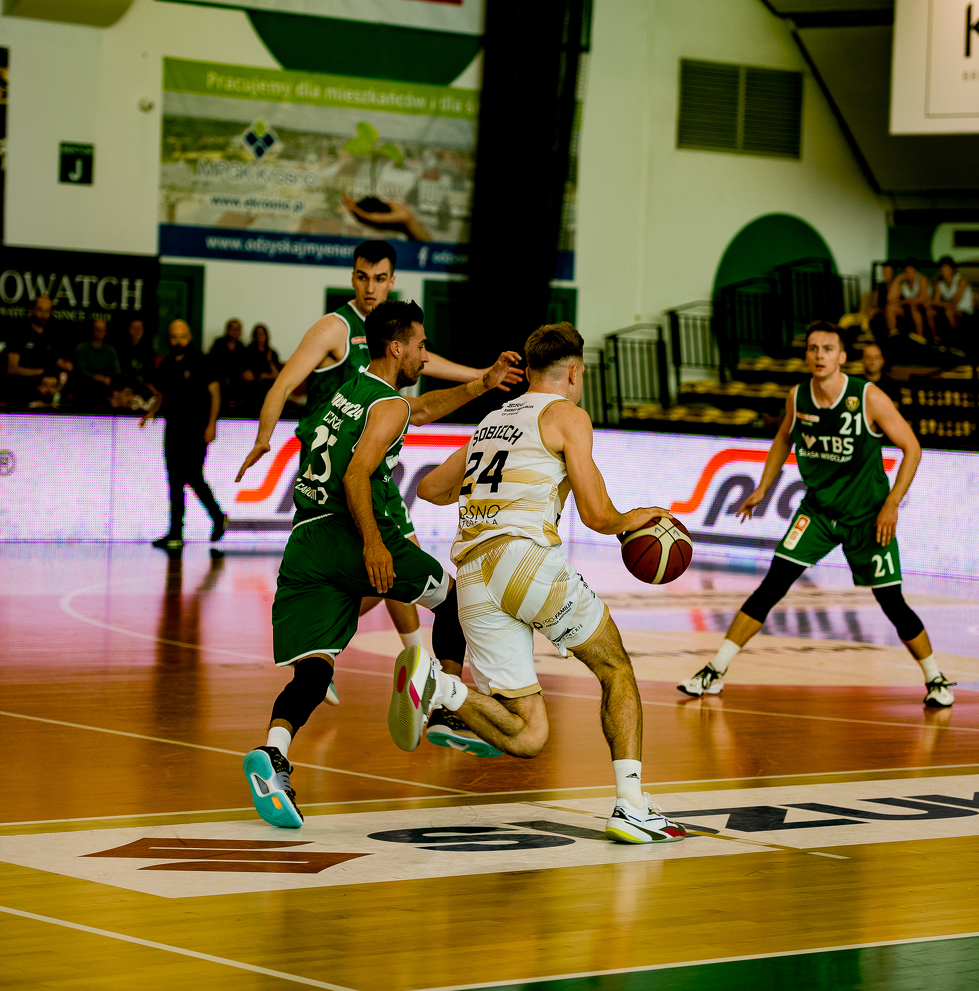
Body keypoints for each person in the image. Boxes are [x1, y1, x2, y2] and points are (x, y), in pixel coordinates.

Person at [233, 300, 520, 830]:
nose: (424, 355)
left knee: (315, 671)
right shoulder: (388, 405)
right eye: (421, 346)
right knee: (455, 601)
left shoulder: (348, 390)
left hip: (305, 540)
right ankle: (445, 707)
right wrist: (373, 543)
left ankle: (273, 754)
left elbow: (420, 410)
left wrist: (482, 383)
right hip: (348, 534)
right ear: (396, 347)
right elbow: (356, 474)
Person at [416, 322, 686, 843]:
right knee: (615, 668)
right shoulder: (567, 415)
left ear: (530, 371)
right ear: (575, 372)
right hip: (523, 561)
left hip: (472, 576)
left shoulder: (491, 421)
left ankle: (440, 686)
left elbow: (430, 488)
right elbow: (597, 515)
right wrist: (634, 518)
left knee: (528, 733)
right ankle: (631, 805)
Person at [240, 239, 523, 695]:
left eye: (379, 278)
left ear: (392, 281)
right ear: (352, 278)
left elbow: (426, 372)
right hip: (337, 471)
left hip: (370, 468)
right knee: (396, 569)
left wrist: (482, 377)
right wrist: (263, 437)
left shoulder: (398, 335)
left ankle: (343, 656)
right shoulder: (335, 327)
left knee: (390, 570)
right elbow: (283, 385)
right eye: (361, 277)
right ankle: (423, 679)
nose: (369, 287)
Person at [678, 323, 953, 707]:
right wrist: (764, 486)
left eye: (827, 348)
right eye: (813, 348)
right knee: (771, 586)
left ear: (842, 356)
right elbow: (783, 438)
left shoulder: (868, 397)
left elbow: (913, 448)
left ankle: (936, 678)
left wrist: (891, 504)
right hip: (818, 513)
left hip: (867, 516)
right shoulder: (798, 396)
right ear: (806, 355)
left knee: (891, 602)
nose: (819, 354)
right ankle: (715, 670)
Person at [142, 319, 228, 549]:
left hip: (197, 429)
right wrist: (152, 412)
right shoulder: (166, 365)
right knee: (174, 481)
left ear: (189, 337)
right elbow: (162, 395)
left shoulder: (202, 361)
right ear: (168, 339)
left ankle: (218, 515)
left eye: (181, 336)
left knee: (192, 475)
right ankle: (175, 533)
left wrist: (212, 425)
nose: (178, 341)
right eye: (173, 337)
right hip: (173, 429)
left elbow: (215, 393)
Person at [6, 296, 72, 408]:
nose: (44, 315)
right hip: (24, 386)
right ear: (32, 310)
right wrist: (40, 372)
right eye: (40, 310)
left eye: (47, 311)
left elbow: (59, 361)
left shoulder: (54, 333)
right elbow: (12, 369)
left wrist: (65, 366)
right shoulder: (19, 332)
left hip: (49, 387)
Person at [71, 318, 122, 408]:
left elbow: (117, 371)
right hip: (85, 383)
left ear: (106, 332)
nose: (100, 332)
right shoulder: (81, 348)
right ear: (92, 330)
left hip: (106, 385)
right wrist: (97, 377)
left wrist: (109, 380)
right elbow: (81, 371)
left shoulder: (110, 350)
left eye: (102, 330)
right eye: (97, 329)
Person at [209, 317, 249, 413]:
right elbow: (211, 362)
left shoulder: (241, 347)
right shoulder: (219, 343)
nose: (235, 332)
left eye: (237, 329)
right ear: (227, 330)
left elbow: (244, 366)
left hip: (236, 379)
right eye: (232, 329)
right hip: (219, 377)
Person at [928, 257, 973, 342]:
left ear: (952, 269)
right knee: (930, 312)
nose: (944, 272)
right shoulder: (940, 283)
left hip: (964, 310)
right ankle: (936, 339)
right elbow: (935, 301)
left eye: (946, 269)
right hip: (948, 308)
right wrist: (940, 303)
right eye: (942, 270)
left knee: (949, 312)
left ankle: (957, 340)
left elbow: (955, 303)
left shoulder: (961, 280)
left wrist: (941, 304)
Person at [240, 323, 282, 414]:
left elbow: (277, 375)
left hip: (268, 386)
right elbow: (247, 375)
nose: (260, 336)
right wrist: (263, 376)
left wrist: (270, 361)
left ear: (266, 336)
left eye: (262, 334)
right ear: (254, 336)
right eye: (258, 334)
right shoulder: (247, 351)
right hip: (252, 386)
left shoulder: (271, 353)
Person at [887, 259, 930, 342]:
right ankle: (893, 334)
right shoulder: (903, 281)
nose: (908, 273)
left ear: (916, 271)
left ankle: (920, 336)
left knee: (913, 307)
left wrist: (904, 302)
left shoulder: (922, 279)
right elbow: (890, 299)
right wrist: (897, 279)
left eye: (910, 271)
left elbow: (922, 299)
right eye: (906, 271)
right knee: (890, 307)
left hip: (921, 307)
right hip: (907, 308)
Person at [116, 317, 155, 392]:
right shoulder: (122, 348)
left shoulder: (148, 349)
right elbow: (121, 371)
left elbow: (150, 371)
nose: (137, 331)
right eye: (134, 328)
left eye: (139, 328)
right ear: (129, 329)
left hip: (144, 385)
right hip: (126, 384)